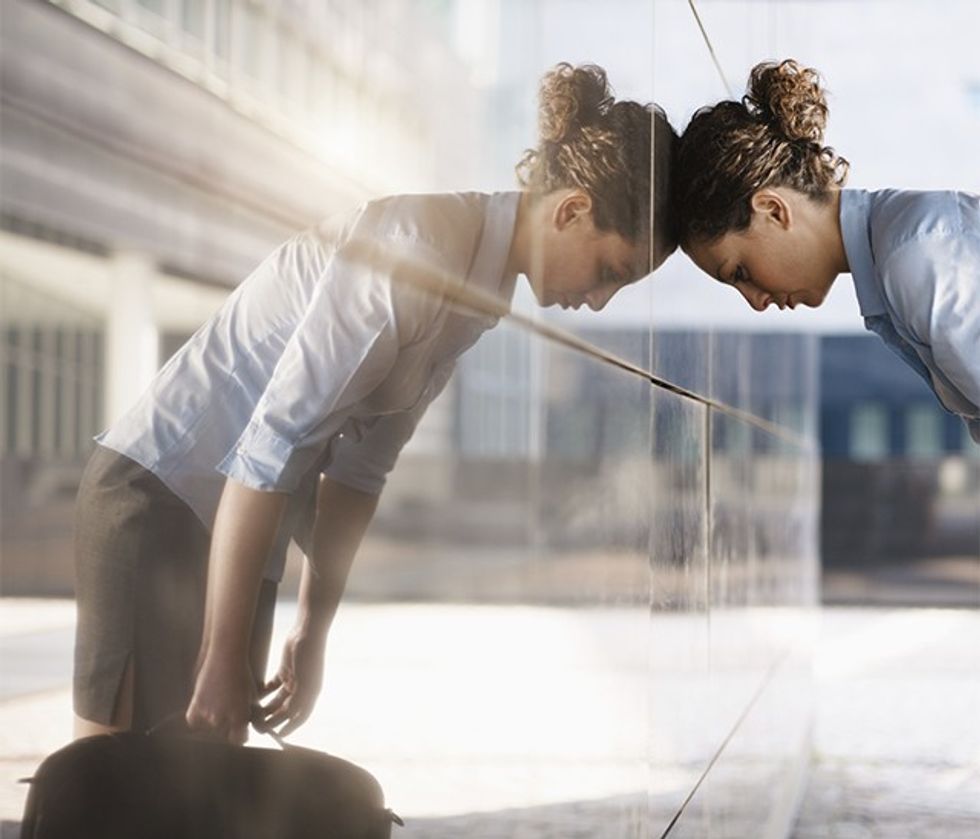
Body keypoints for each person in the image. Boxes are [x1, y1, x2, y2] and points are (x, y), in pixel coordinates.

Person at [73, 62, 678, 745]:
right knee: (104, 788)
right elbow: (270, 444)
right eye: (609, 271)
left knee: (204, 793)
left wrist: (312, 630)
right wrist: (220, 656)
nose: (598, 300)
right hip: (159, 489)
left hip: (242, 531)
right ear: (570, 210)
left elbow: (361, 472)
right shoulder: (420, 244)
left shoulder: (480, 291)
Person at [671, 58, 980, 443]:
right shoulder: (899, 244)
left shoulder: (912, 256)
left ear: (772, 209)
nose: (755, 302)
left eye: (740, 272)